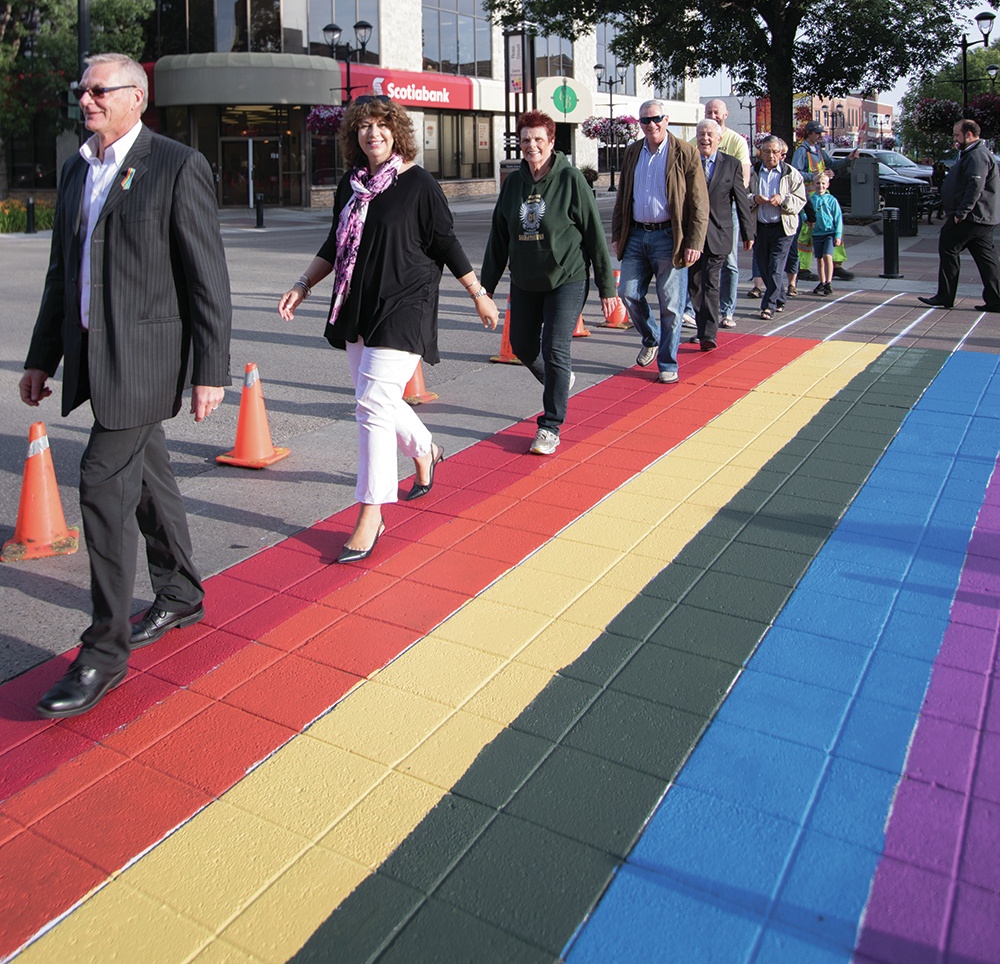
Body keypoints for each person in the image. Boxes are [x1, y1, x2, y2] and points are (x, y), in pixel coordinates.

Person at [20, 54, 232, 719]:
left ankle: (104, 652)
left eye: (98, 89)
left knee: (101, 484)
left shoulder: (175, 165)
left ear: (136, 98)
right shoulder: (78, 167)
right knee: (148, 477)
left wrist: (210, 369)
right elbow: (64, 272)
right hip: (94, 356)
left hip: (148, 359)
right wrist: (40, 358)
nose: (85, 99)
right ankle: (180, 592)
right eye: (81, 89)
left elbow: (207, 279)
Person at [279, 98, 498, 560]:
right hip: (359, 305)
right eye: (363, 127)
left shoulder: (418, 184)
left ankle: (373, 509)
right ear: (353, 136)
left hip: (405, 305)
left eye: (381, 125)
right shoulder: (352, 185)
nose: (371, 133)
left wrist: (478, 293)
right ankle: (426, 449)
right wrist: (303, 284)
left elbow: (445, 242)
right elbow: (334, 242)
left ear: (396, 132)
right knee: (376, 398)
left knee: (372, 405)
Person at [481, 110, 617, 455]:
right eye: (525, 140)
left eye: (538, 139)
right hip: (526, 279)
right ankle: (559, 379)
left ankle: (550, 426)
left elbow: (594, 237)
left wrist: (607, 288)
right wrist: (486, 288)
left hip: (565, 278)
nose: (531, 146)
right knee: (522, 344)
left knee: (555, 348)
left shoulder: (571, 179)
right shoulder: (513, 184)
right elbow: (499, 237)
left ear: (552, 141)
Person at [611, 99, 708, 382]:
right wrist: (618, 234)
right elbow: (623, 198)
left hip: (670, 236)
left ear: (667, 120)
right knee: (627, 292)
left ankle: (667, 362)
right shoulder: (632, 153)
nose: (651, 125)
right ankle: (651, 337)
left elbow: (699, 202)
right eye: (645, 120)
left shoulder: (686, 153)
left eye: (656, 119)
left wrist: (695, 241)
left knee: (671, 304)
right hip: (637, 234)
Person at [918, 119, 1000, 312]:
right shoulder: (974, 153)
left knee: (948, 248)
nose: (955, 139)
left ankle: (945, 295)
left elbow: (975, 185)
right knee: (986, 258)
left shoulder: (977, 155)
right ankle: (996, 299)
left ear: (969, 134)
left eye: (957, 135)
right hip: (982, 217)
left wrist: (961, 212)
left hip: (971, 217)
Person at [687, 119, 755, 351]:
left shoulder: (731, 164)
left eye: (709, 135)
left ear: (719, 139)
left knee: (711, 284)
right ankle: (700, 326)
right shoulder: (688, 161)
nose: (705, 139)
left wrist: (748, 232)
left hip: (719, 233)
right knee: (695, 284)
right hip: (692, 235)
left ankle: (709, 333)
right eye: (701, 134)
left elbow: (741, 200)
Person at [700, 99, 751, 326]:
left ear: (726, 115)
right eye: (709, 111)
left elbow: (743, 184)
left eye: (716, 112)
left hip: (724, 211)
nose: (713, 114)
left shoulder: (737, 142)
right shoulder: (696, 141)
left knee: (728, 263)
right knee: (697, 270)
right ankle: (696, 313)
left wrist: (748, 231)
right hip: (699, 215)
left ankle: (727, 310)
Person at [750, 136, 807, 319]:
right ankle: (780, 297)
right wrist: (754, 199)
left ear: (782, 154)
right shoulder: (753, 172)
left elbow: (800, 200)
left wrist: (782, 200)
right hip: (760, 226)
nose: (770, 156)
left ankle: (769, 305)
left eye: (775, 152)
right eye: (766, 151)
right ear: (761, 153)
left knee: (775, 266)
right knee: (764, 267)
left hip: (782, 228)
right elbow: (742, 195)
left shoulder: (791, 173)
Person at [790, 120, 836, 291]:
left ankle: (831, 268)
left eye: (821, 133)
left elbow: (832, 165)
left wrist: (847, 160)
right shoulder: (802, 151)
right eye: (817, 133)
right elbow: (796, 173)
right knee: (805, 236)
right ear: (808, 133)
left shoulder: (819, 151)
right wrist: (815, 176)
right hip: (807, 199)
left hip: (820, 198)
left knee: (821, 233)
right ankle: (802, 268)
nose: (820, 136)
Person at [805, 167, 843, 296]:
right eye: (818, 183)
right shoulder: (811, 199)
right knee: (819, 259)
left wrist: (838, 235)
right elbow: (805, 213)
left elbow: (838, 218)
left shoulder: (831, 200)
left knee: (828, 256)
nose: (820, 186)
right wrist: (807, 220)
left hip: (829, 232)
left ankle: (828, 282)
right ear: (813, 184)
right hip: (817, 234)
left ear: (827, 185)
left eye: (823, 183)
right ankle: (822, 281)